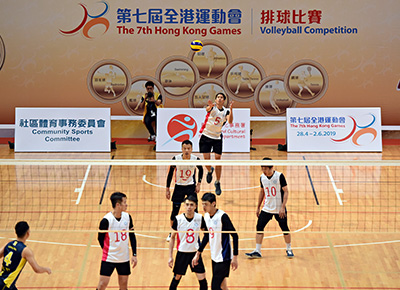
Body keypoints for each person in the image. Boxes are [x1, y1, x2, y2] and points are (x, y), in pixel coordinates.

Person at [245, 157, 294, 259]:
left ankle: (289, 249)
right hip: (266, 208)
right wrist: (258, 207)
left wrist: (283, 207)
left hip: (279, 209)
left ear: (271, 167)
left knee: (285, 229)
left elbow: (286, 191)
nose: (264, 171)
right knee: (259, 227)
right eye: (262, 168)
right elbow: (262, 192)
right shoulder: (262, 177)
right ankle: (257, 251)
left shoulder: (279, 176)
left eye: (265, 168)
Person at [192, 192, 238, 290]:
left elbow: (235, 235)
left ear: (213, 203)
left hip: (224, 257)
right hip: (214, 256)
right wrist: (198, 252)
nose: (204, 207)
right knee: (223, 286)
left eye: (206, 204)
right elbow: (207, 236)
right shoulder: (207, 217)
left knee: (215, 286)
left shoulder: (222, 217)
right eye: (203, 204)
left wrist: (235, 257)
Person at [97, 192, 138, 290]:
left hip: (123, 257)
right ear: (118, 205)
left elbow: (132, 236)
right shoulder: (106, 220)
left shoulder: (127, 217)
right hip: (109, 257)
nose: (126, 204)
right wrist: (107, 250)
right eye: (124, 202)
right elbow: (100, 238)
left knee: (123, 286)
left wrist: (134, 254)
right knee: (102, 284)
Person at [166, 140, 203, 241]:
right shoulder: (176, 159)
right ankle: (172, 232)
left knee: (195, 211)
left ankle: (195, 233)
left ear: (192, 149)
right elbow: (170, 174)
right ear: (181, 149)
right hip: (179, 187)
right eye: (185, 148)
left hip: (191, 186)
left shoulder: (195, 159)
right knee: (174, 212)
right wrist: (167, 188)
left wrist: (199, 184)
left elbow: (201, 169)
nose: (186, 151)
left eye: (188, 149)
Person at [168, 196, 208, 290]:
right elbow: (172, 237)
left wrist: (200, 250)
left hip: (195, 253)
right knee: (177, 277)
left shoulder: (199, 218)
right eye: (187, 205)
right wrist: (170, 256)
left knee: (202, 279)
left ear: (195, 206)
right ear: (184, 206)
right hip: (182, 252)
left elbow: (206, 235)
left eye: (191, 205)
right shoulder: (178, 219)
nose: (189, 207)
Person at [199, 93, 233, 196]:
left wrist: (231, 110)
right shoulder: (212, 108)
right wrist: (210, 106)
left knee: (218, 158)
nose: (219, 99)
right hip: (206, 136)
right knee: (207, 160)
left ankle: (217, 182)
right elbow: (208, 109)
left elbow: (230, 121)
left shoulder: (226, 111)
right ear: (216, 99)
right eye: (218, 97)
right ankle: (210, 171)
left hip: (217, 137)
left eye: (221, 97)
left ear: (223, 101)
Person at [0, 221, 51, 289]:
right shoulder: (25, 251)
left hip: (4, 281)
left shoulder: (8, 244)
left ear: (16, 232)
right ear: (27, 233)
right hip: (5, 285)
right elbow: (37, 269)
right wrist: (46, 269)